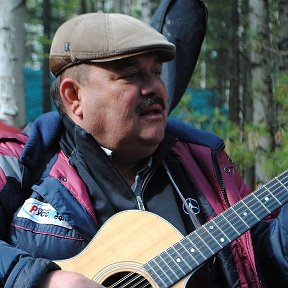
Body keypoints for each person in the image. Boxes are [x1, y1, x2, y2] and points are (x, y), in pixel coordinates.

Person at [0, 12, 287, 288]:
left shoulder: (205, 163)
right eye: (132, 75)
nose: (155, 88)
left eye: (156, 73)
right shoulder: (19, 165)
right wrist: (39, 278)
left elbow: (258, 257)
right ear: (74, 96)